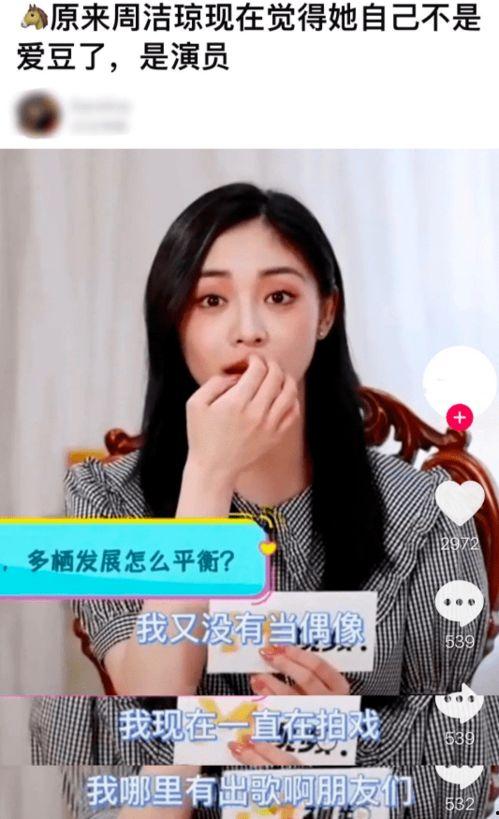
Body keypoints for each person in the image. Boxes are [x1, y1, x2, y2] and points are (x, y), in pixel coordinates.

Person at [29, 182, 492, 814]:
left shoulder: (431, 511)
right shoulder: (103, 496)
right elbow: (151, 697)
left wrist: (346, 755)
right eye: (211, 300)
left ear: (325, 314)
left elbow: (455, 777)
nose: (248, 331)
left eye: (279, 297)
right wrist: (208, 477)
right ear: (174, 321)